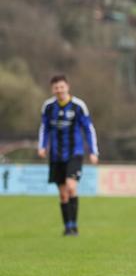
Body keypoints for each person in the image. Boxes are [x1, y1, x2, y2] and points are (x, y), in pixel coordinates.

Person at [38, 75, 99, 236]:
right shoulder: (48, 107)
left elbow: (88, 129)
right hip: (56, 155)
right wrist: (42, 147)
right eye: (56, 87)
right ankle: (67, 226)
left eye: (61, 87)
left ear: (67, 87)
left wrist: (93, 151)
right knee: (63, 193)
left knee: (72, 187)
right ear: (52, 89)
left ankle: (74, 226)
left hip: (75, 153)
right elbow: (44, 128)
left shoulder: (78, 106)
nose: (59, 90)